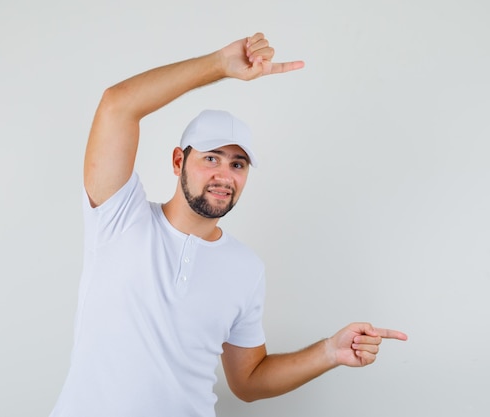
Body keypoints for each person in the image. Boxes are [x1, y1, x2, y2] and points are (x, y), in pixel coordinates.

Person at [50, 32, 407, 417]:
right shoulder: (119, 217)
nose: (225, 174)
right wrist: (219, 65)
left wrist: (329, 352)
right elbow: (117, 105)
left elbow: (249, 381)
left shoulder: (246, 268)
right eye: (211, 158)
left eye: (238, 164)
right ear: (177, 162)